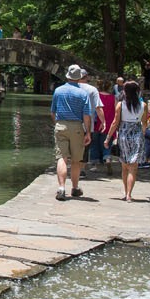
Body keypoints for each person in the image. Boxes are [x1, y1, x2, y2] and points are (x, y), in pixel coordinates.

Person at [50, 64, 92, 201]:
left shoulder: (58, 91)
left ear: (68, 75)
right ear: (79, 78)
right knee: (76, 160)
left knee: (62, 157)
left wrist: (57, 124)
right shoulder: (83, 93)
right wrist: (88, 133)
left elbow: (53, 112)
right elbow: (86, 115)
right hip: (77, 127)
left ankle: (61, 188)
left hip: (61, 125)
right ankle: (74, 188)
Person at [106, 80, 150, 201]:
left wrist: (108, 138)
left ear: (125, 92)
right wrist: (142, 133)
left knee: (125, 166)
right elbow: (144, 123)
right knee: (133, 167)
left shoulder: (120, 105)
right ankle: (129, 195)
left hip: (124, 135)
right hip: (137, 135)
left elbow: (115, 123)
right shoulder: (144, 106)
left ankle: (126, 192)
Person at [76, 68, 105, 178]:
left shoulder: (68, 88)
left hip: (71, 122)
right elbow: (98, 107)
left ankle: (74, 167)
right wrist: (103, 121)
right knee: (85, 147)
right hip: (88, 124)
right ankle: (81, 169)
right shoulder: (92, 90)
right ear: (87, 77)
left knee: (73, 147)